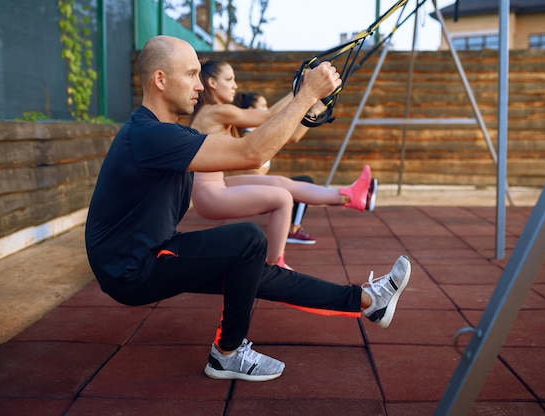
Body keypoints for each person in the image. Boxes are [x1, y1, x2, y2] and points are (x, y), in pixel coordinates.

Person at [84, 35, 411, 382]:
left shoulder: (170, 134)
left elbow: (257, 144)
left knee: (255, 267)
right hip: (130, 269)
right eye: (191, 74)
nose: (199, 85)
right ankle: (227, 354)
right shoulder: (150, 136)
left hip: (150, 251)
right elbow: (252, 153)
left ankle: (366, 302)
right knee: (248, 240)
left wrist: (304, 99)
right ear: (160, 80)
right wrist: (307, 95)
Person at [188, 59, 378, 269]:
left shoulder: (218, 113)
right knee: (283, 198)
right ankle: (274, 265)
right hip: (209, 195)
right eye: (229, 79)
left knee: (281, 182)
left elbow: (286, 131)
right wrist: (305, 86)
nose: (235, 85)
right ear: (212, 83)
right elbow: (269, 115)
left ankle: (350, 196)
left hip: (216, 186)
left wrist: (311, 96)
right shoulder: (215, 111)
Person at [233, 91, 317, 245]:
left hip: (259, 190)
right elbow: (292, 136)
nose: (268, 108)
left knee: (301, 184)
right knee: (305, 183)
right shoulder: (249, 137)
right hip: (252, 195)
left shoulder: (257, 133)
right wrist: (303, 92)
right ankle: (293, 230)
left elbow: (293, 136)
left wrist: (314, 112)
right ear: (252, 110)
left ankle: (288, 228)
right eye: (264, 105)